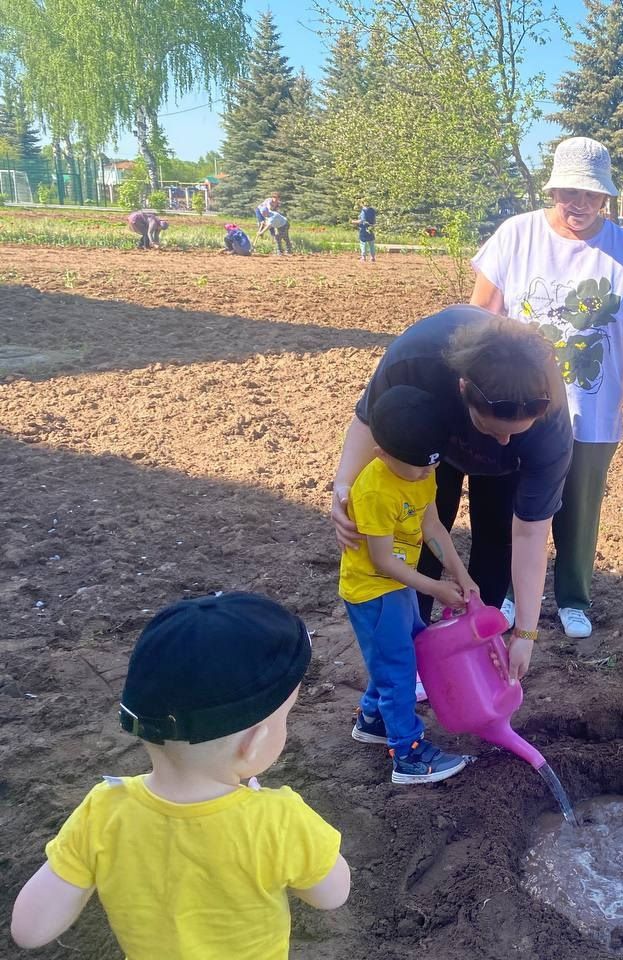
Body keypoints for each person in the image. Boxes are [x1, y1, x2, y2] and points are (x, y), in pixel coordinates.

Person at [9, 592, 350, 958]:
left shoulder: (103, 812)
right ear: (253, 744)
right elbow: (332, 895)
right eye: (285, 718)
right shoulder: (278, 820)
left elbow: (29, 931)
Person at [470, 136, 623, 640]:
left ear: (605, 197)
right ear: (553, 190)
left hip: (593, 408)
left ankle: (574, 598)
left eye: (592, 194)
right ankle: (508, 593)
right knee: (509, 500)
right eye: (570, 192)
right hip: (518, 404)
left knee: (579, 507)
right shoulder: (517, 236)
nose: (580, 203)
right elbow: (479, 318)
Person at [331, 305, 573, 682]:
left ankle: (479, 646)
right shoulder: (417, 360)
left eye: (516, 432)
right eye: (492, 429)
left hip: (505, 469)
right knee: (422, 528)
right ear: (462, 388)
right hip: (429, 449)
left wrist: (525, 634)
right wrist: (343, 484)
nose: (504, 440)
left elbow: (530, 533)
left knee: (496, 537)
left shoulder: (550, 429)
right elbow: (368, 417)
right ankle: (415, 649)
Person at [341, 384, 477, 784]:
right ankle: (408, 755)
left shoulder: (423, 472)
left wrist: (461, 574)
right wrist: (434, 588)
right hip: (373, 591)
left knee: (401, 653)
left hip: (397, 586)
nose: (425, 475)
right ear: (382, 453)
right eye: (417, 468)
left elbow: (432, 526)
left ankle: (372, 719)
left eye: (432, 466)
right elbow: (382, 561)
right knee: (398, 669)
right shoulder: (374, 491)